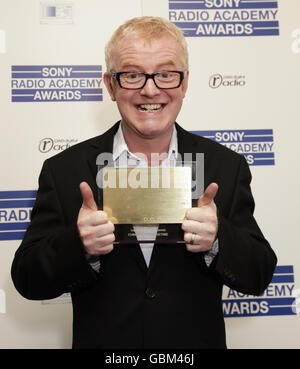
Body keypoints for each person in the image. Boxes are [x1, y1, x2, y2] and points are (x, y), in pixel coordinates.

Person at [11, 16, 277, 349]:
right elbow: (27, 279)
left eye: (166, 74)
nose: (150, 89)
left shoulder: (225, 166)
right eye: (133, 75)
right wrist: (78, 245)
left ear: (184, 83)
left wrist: (219, 238)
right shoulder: (65, 170)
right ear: (110, 85)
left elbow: (260, 273)